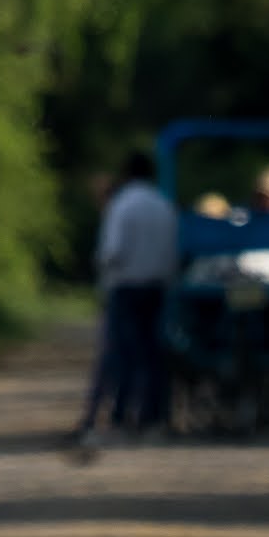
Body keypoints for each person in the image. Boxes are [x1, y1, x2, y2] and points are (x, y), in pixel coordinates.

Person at [72, 150, 179, 442]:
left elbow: (112, 252)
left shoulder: (123, 206)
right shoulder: (164, 206)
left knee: (122, 354)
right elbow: (172, 253)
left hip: (126, 286)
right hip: (157, 288)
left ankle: (120, 418)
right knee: (153, 354)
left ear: (127, 173)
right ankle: (152, 419)